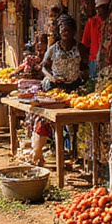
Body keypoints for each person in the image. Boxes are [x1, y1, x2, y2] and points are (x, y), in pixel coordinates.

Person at [32, 14, 88, 165]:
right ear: (59, 32)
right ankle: (57, 150)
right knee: (54, 121)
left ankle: (74, 151)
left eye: (69, 30)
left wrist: (82, 77)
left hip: (74, 88)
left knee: (75, 122)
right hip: (56, 89)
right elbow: (43, 67)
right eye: (63, 31)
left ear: (74, 32)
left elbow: (85, 67)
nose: (66, 33)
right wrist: (51, 78)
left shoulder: (80, 48)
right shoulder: (53, 49)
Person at [81, 0, 109, 79]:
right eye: (100, 7)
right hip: (94, 59)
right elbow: (85, 43)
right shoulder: (92, 22)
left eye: (104, 7)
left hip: (109, 59)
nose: (102, 10)